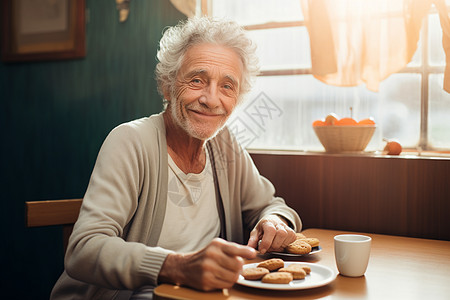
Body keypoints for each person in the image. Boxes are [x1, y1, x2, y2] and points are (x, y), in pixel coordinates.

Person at [50, 17, 302, 300]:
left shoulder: (224, 144)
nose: (211, 99)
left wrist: (275, 221)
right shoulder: (130, 141)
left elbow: (269, 205)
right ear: (167, 86)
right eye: (197, 80)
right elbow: (84, 250)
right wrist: (177, 266)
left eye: (227, 86)